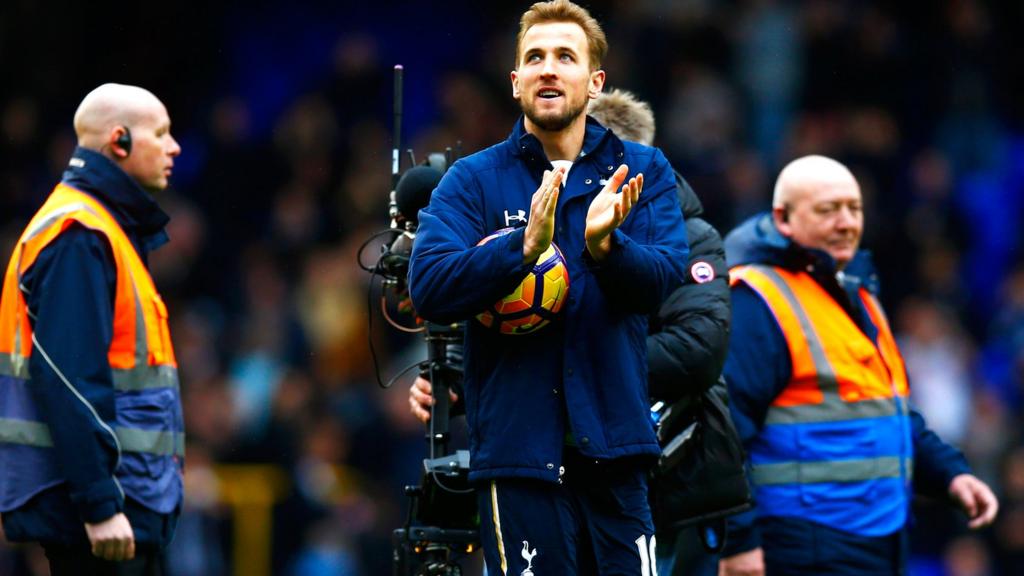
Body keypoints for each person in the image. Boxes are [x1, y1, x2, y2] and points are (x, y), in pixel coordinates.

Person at [407, 1, 690, 573]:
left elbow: (663, 281)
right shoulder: (473, 180)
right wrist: (520, 250)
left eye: (566, 56)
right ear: (515, 82)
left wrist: (607, 249)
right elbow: (429, 284)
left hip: (616, 455)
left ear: (595, 81)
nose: (549, 69)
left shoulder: (644, 170)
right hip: (517, 462)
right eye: (534, 58)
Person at [718, 155, 998, 575]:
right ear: (783, 218)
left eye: (854, 208)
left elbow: (885, 409)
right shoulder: (758, 301)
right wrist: (739, 542)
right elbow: (722, 434)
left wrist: (949, 475)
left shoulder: (858, 296)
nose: (846, 223)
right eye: (828, 210)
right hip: (801, 545)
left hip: (877, 540)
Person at [0, 83, 184, 575]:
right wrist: (99, 503)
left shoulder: (103, 227)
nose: (174, 147)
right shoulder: (80, 234)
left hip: (123, 507)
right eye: (161, 133)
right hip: (104, 519)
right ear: (119, 141)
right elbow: (67, 377)